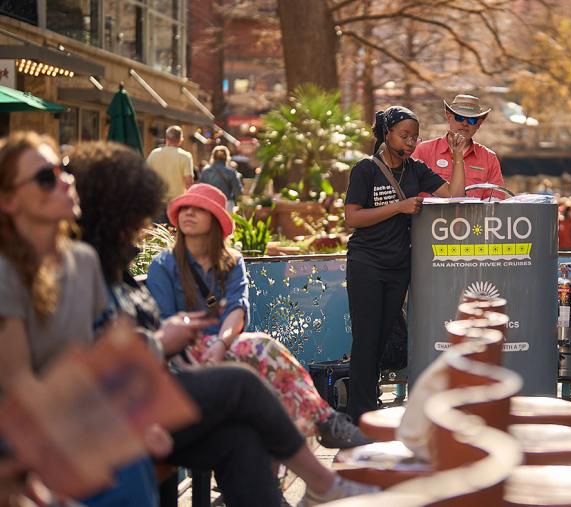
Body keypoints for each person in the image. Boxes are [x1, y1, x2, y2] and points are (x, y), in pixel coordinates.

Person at [67, 141, 378, 506]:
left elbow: (236, 307)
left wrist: (214, 342)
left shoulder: (212, 261)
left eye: (197, 211)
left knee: (242, 433)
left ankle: (317, 469)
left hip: (170, 376)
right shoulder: (141, 265)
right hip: (133, 400)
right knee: (245, 376)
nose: (180, 218)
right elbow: (102, 353)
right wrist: (165, 345)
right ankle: (324, 469)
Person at [0, 132, 162, 506]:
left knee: (134, 458)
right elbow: (18, 384)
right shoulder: (6, 270)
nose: (65, 182)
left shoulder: (83, 260)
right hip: (17, 423)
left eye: (64, 170)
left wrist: (139, 417)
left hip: (67, 415)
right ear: (8, 201)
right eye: (46, 177)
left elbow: (101, 355)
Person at [145, 183, 368, 448]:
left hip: (225, 348)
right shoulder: (164, 264)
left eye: (198, 209)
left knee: (271, 385)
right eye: (184, 208)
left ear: (215, 219)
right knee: (262, 348)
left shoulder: (231, 262)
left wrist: (220, 345)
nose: (188, 214)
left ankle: (275, 471)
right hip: (182, 355)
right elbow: (167, 323)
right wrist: (204, 355)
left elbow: (236, 310)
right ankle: (327, 423)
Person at [344, 105, 465, 422]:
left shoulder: (416, 170)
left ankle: (371, 405)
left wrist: (457, 157)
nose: (411, 143)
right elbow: (352, 216)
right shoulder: (365, 170)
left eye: (415, 137)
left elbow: (455, 194)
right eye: (404, 135)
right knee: (366, 338)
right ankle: (361, 413)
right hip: (366, 263)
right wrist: (398, 207)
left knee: (384, 337)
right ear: (386, 133)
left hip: (399, 266)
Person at [411, 94, 506, 200]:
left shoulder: (489, 158)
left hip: (474, 216)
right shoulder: (423, 150)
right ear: (449, 117)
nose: (465, 123)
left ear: (479, 124)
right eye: (459, 118)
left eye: (471, 120)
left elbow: (496, 200)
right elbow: (409, 191)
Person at [146, 125, 194, 221]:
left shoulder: (154, 154)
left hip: (157, 200)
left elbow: (145, 177)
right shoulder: (185, 156)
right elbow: (188, 181)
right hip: (177, 202)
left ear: (166, 138)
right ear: (180, 140)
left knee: (158, 233)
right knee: (175, 233)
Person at [199, 145, 243, 211]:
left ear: (213, 157)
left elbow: (201, 189)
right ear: (227, 158)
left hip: (210, 203)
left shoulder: (205, 171)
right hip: (226, 203)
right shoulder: (231, 172)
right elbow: (237, 192)